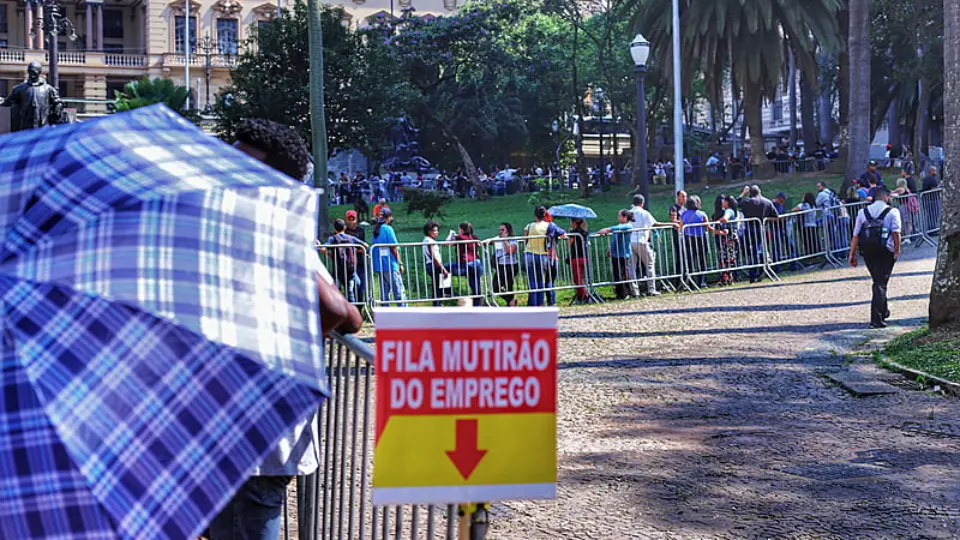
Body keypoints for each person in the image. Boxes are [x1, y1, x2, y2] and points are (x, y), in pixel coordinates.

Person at [218, 119, 362, 540]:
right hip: (230, 416)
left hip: (257, 416)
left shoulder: (271, 232)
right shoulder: (242, 227)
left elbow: (341, 311)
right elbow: (347, 317)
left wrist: (291, 343)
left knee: (250, 514)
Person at [849, 186, 902, 328]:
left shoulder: (862, 212)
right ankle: (876, 319)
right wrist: (897, 251)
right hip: (885, 250)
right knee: (880, 283)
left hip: (868, 251)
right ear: (885, 197)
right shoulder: (893, 211)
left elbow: (856, 235)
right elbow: (896, 233)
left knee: (878, 280)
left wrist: (852, 254)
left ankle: (883, 311)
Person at [0, 61, 64, 131]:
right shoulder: (20, 89)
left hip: (42, 125)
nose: (32, 74)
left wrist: (58, 106)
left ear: (39, 72)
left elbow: (57, 101)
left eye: (34, 71)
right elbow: (7, 101)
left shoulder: (48, 89)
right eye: (30, 71)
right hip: (26, 125)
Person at [523, 206, 566, 306]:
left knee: (532, 281)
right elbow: (563, 233)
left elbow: (525, 239)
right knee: (540, 281)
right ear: (544, 215)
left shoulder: (529, 225)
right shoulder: (549, 225)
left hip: (529, 254)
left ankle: (533, 304)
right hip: (542, 255)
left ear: (535, 215)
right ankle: (541, 303)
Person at [737, 185, 779, 283]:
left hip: (749, 229)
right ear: (759, 191)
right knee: (758, 250)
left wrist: (743, 193)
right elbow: (776, 216)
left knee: (751, 252)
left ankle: (754, 273)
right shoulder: (767, 202)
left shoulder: (747, 201)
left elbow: (735, 203)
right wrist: (765, 220)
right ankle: (761, 268)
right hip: (761, 229)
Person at [597, 209, 638, 299]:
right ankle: (619, 293)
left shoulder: (628, 226)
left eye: (619, 216)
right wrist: (610, 249)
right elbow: (615, 238)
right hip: (616, 254)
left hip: (623, 254)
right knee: (616, 274)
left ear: (625, 217)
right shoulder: (620, 226)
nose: (618, 217)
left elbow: (619, 228)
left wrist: (607, 229)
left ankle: (625, 293)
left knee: (623, 274)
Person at [629, 195, 664, 296]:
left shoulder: (629, 212)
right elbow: (654, 224)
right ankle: (651, 289)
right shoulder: (644, 213)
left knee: (632, 267)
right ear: (642, 203)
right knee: (649, 265)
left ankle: (635, 291)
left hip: (631, 241)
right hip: (642, 241)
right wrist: (670, 224)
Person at [324, 218, 366, 303]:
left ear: (335, 229)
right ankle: (353, 311)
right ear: (345, 228)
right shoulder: (351, 238)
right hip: (350, 270)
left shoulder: (333, 239)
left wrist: (330, 255)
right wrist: (356, 251)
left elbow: (323, 248)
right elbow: (365, 245)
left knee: (336, 292)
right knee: (350, 291)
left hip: (338, 270)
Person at [371, 208, 406, 306]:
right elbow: (393, 248)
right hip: (391, 264)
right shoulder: (388, 229)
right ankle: (404, 313)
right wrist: (400, 263)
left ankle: (385, 314)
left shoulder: (375, 230)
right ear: (389, 218)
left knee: (384, 293)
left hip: (380, 265)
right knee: (398, 290)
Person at [447, 221, 485, 306]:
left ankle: (447, 291)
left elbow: (447, 243)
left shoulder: (459, 237)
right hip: (476, 263)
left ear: (461, 230)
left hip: (466, 263)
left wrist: (451, 234)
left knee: (443, 269)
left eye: (459, 229)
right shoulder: (474, 237)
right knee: (475, 287)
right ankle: (477, 306)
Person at [680, 196, 712, 289]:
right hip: (700, 238)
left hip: (687, 238)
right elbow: (707, 227)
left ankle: (691, 283)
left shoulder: (684, 214)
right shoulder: (702, 214)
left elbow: (681, 227)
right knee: (702, 260)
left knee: (689, 261)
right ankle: (702, 281)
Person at [422, 220, 451, 306]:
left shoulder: (426, 240)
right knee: (438, 287)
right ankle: (437, 304)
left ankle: (438, 303)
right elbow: (433, 256)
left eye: (437, 230)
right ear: (429, 231)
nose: (437, 232)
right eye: (435, 230)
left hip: (431, 265)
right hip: (434, 265)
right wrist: (442, 268)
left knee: (437, 286)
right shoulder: (429, 241)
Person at [491, 223, 520, 306]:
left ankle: (511, 304)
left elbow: (509, 250)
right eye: (499, 230)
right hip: (500, 265)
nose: (500, 232)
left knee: (509, 286)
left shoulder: (512, 239)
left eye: (502, 230)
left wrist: (504, 240)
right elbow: (489, 241)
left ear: (508, 230)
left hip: (510, 266)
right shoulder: (498, 238)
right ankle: (511, 301)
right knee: (495, 287)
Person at [343, 210, 367, 302]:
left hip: (360, 263)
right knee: (351, 288)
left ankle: (360, 309)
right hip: (349, 264)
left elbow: (363, 247)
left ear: (356, 219)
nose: (351, 221)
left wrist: (356, 250)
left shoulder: (361, 231)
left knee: (361, 287)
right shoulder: (344, 231)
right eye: (349, 219)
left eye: (353, 219)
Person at [567, 218, 591, 303]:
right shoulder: (585, 231)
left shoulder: (573, 232)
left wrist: (570, 234)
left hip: (576, 257)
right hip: (584, 256)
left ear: (574, 222)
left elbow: (569, 244)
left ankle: (585, 295)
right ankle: (580, 296)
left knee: (577, 278)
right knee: (580, 277)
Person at [792, 192, 821, 257]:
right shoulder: (813, 205)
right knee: (814, 240)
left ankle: (810, 255)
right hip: (813, 225)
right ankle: (816, 254)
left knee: (807, 242)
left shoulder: (804, 205)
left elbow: (794, 209)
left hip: (806, 225)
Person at [669, 191, 687, 287]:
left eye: (685, 196)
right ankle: (679, 281)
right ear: (678, 197)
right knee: (680, 257)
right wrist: (684, 222)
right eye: (683, 196)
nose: (685, 198)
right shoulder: (674, 208)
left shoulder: (685, 208)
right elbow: (673, 221)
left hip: (686, 235)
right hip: (678, 235)